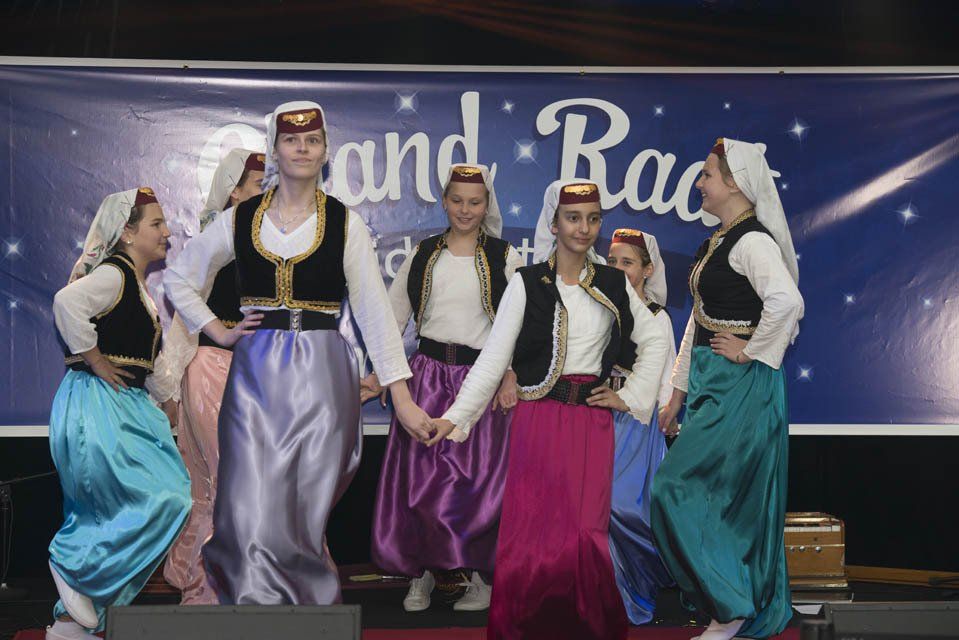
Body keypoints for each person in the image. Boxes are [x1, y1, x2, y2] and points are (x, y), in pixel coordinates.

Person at [163, 101, 430, 605]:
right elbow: (180, 278)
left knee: (304, 508)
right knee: (246, 504)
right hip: (256, 371)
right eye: (291, 140)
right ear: (275, 149)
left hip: (322, 372)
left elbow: (374, 313)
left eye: (312, 140)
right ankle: (252, 611)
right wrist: (216, 331)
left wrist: (404, 398)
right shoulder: (241, 219)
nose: (302, 148)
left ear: (325, 150)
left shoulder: (344, 223)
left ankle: (306, 614)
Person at [430, 179, 669, 640]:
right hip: (538, 423)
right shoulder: (527, 284)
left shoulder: (613, 283)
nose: (583, 228)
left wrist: (633, 395)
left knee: (584, 536)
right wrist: (455, 418)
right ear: (555, 223)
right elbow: (494, 357)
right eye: (573, 218)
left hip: (591, 424)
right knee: (533, 538)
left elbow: (656, 337)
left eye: (593, 219)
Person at [651, 138, 804, 640]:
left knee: (687, 490)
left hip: (742, 386)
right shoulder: (717, 240)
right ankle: (727, 602)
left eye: (707, 175)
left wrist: (749, 349)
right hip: (711, 384)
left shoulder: (753, 241)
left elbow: (786, 301)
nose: (700, 184)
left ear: (735, 182)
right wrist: (676, 394)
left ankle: (731, 606)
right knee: (697, 492)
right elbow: (696, 323)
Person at [370, 163, 522, 613]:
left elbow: (517, 325)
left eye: (475, 202)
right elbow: (392, 318)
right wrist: (386, 374)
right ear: (444, 201)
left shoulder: (505, 257)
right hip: (428, 377)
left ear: (486, 204)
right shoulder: (424, 254)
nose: (465, 209)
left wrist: (509, 375)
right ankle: (420, 574)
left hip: (479, 382)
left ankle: (476, 576)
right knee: (421, 482)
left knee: (473, 485)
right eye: (457, 200)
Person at [46, 188, 191, 639]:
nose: (166, 232)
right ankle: (71, 564)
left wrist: (168, 401)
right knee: (157, 499)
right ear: (127, 232)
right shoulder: (114, 275)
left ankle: (73, 624)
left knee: (157, 502)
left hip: (123, 404)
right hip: (97, 404)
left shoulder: (137, 286)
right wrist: (95, 359)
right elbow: (67, 303)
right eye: (155, 224)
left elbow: (153, 358)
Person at [162, 148, 264, 605]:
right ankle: (209, 589)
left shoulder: (270, 242)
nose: (269, 194)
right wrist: (170, 388)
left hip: (257, 376)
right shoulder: (217, 240)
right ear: (234, 191)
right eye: (260, 186)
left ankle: (250, 585)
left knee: (253, 480)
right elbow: (183, 312)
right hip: (212, 373)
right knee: (227, 480)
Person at [604, 228, 677, 624]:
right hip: (599, 419)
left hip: (636, 423)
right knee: (594, 509)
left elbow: (666, 372)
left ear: (647, 270)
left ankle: (638, 585)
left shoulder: (656, 317)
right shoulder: (600, 306)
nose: (617, 268)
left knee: (622, 507)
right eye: (612, 261)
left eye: (627, 262)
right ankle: (607, 592)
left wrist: (667, 411)